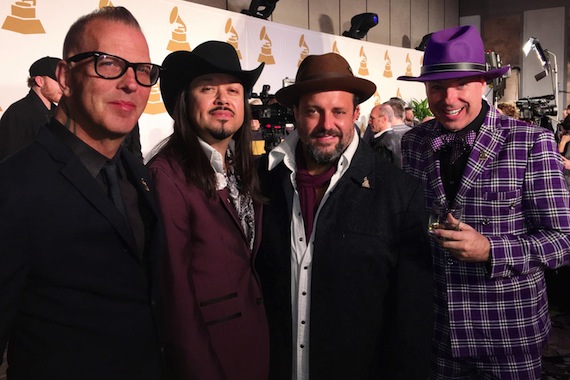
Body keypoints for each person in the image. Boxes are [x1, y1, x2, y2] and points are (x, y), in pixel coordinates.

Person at [0, 7, 166, 379]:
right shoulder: (14, 187)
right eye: (109, 63)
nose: (131, 84)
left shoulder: (137, 174)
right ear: (65, 77)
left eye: (143, 71)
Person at [398, 25, 570, 379]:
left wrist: (491, 249)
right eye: (437, 87)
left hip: (508, 335)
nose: (448, 99)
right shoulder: (414, 142)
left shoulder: (530, 142)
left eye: (460, 84)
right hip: (438, 332)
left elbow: (562, 239)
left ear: (483, 84)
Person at [256, 52, 433, 379]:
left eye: (338, 111)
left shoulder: (399, 192)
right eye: (313, 111)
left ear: (355, 113)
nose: (327, 124)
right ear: (294, 113)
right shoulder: (262, 181)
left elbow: (411, 318)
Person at [147, 41, 269, 380]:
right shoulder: (166, 175)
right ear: (186, 101)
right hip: (209, 359)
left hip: (251, 349)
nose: (223, 99)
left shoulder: (241, 168)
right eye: (208, 88)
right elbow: (174, 298)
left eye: (233, 90)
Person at [0, 56, 62, 160]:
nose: (64, 86)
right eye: (58, 81)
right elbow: (7, 161)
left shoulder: (60, 114)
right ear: (39, 81)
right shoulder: (17, 113)